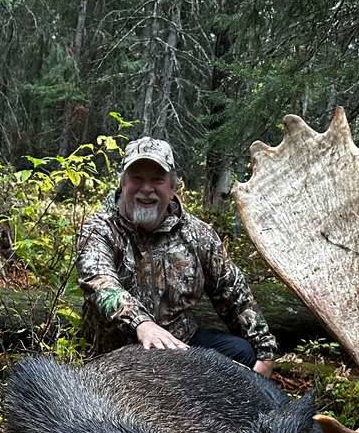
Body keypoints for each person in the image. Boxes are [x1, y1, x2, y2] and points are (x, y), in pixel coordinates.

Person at [76, 137, 278, 375]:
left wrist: (266, 353)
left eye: (157, 180)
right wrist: (141, 323)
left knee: (243, 353)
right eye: (137, 178)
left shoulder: (197, 234)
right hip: (116, 351)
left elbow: (235, 294)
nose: (146, 189)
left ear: (172, 188)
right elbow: (100, 283)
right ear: (123, 183)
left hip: (180, 345)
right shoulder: (98, 229)